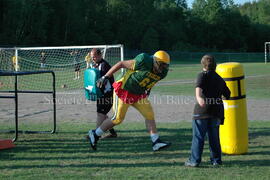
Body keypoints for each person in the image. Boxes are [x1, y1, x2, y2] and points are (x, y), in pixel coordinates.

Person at [86, 50, 171, 151]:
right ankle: (95, 134)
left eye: (165, 66)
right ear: (155, 61)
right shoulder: (144, 61)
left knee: (149, 114)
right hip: (124, 89)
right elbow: (121, 64)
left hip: (138, 93)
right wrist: (105, 77)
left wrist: (148, 89)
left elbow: (151, 80)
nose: (162, 68)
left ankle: (156, 141)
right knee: (117, 118)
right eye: (161, 65)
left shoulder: (163, 72)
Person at [185, 55, 231, 167]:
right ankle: (216, 160)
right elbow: (228, 95)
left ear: (203, 65)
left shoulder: (202, 75)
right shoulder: (219, 78)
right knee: (214, 137)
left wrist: (200, 99)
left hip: (202, 111)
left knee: (198, 137)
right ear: (215, 65)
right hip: (216, 112)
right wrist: (217, 99)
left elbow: (198, 91)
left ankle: (194, 161)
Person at [89, 48, 117, 138]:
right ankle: (112, 133)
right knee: (102, 114)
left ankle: (96, 135)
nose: (93, 58)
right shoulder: (96, 65)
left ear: (100, 55)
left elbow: (104, 81)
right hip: (101, 94)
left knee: (101, 114)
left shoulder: (104, 65)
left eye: (94, 57)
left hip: (107, 95)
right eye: (92, 57)